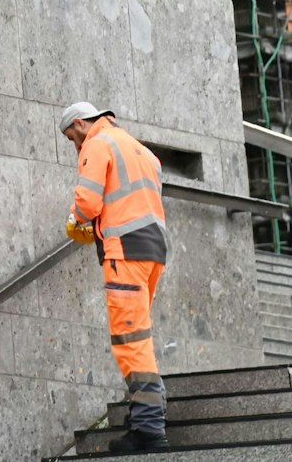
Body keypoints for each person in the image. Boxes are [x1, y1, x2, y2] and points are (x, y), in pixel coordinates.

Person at [62, 101, 171, 453]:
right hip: (154, 250)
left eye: (72, 137)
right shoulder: (140, 149)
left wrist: (76, 219)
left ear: (81, 123)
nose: (75, 145)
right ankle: (148, 413)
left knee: (129, 340)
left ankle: (149, 428)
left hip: (125, 251)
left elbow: (88, 203)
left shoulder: (97, 144)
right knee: (139, 335)